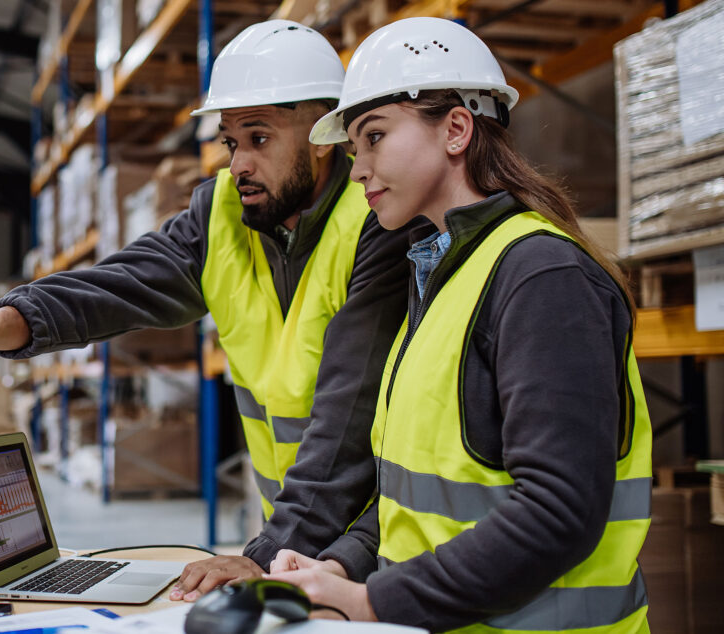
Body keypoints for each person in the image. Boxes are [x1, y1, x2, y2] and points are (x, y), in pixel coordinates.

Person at [0, 20, 413, 601]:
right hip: (291, 538)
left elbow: (346, 419)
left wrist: (264, 554)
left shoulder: (377, 223)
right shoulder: (219, 215)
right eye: (231, 142)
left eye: (259, 139)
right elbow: (114, 286)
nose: (238, 163)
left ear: (322, 136)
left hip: (371, 545)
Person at [264, 17, 653, 633]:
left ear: (455, 129)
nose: (358, 169)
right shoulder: (438, 276)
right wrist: (338, 568)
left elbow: (558, 513)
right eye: (353, 149)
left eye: (374, 137)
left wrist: (373, 603)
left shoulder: (541, 276)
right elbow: (422, 498)